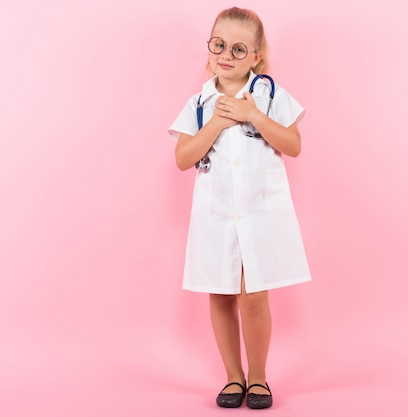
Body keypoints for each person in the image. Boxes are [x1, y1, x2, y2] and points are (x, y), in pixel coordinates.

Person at [168, 7, 311, 409]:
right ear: (209, 48)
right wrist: (216, 122)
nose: (226, 54)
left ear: (256, 57)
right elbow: (183, 158)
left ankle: (260, 378)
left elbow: (294, 145)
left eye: (238, 48)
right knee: (220, 293)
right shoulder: (199, 103)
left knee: (253, 295)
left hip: (260, 212)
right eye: (218, 45)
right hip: (215, 215)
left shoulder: (269, 94)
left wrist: (251, 114)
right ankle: (234, 378)